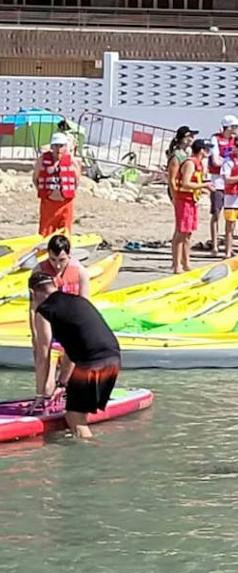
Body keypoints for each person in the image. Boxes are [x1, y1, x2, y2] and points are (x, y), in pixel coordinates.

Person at [27, 271, 120, 439]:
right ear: (55, 284)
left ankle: (92, 457)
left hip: (92, 364)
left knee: (74, 417)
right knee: (80, 412)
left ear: (33, 293)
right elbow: (72, 350)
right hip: (113, 360)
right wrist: (62, 384)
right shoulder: (78, 301)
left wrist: (41, 395)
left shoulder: (44, 311)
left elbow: (43, 356)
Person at [171, 138, 212, 274]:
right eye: (207, 149)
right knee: (181, 232)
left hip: (191, 200)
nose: (209, 152)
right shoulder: (190, 163)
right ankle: (176, 265)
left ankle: (186, 262)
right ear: (201, 150)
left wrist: (202, 189)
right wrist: (204, 185)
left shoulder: (198, 164)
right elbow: (186, 183)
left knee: (188, 233)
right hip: (184, 201)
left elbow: (194, 183)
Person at [208, 115, 238, 258]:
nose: (236, 130)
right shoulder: (215, 139)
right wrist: (228, 162)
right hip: (218, 182)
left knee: (232, 216)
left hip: (231, 182)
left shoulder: (236, 141)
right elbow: (215, 161)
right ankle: (215, 245)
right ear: (227, 128)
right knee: (216, 213)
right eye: (234, 127)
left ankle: (229, 246)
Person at [33, 132, 80, 236]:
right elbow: (35, 179)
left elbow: (76, 181)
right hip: (48, 203)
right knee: (46, 231)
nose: (58, 149)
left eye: (61, 146)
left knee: (65, 232)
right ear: (51, 146)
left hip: (65, 203)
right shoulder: (42, 160)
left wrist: (67, 193)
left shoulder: (72, 161)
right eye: (55, 145)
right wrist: (45, 193)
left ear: (65, 147)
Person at [164, 125, 196, 202]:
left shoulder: (185, 153)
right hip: (176, 189)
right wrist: (174, 196)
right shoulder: (176, 156)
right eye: (190, 136)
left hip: (182, 189)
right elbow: (172, 179)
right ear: (183, 138)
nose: (192, 138)